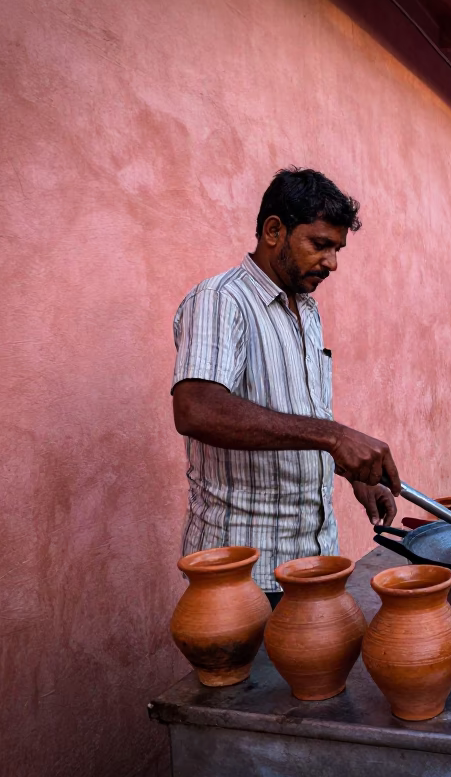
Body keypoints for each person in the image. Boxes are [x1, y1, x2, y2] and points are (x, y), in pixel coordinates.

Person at [171, 167, 400, 607]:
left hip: (313, 560)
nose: (332, 262)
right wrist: (334, 437)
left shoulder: (306, 309)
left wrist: (348, 467)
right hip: (243, 573)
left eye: (338, 248)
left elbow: (291, 412)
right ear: (274, 230)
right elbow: (196, 408)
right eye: (320, 245)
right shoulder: (222, 300)